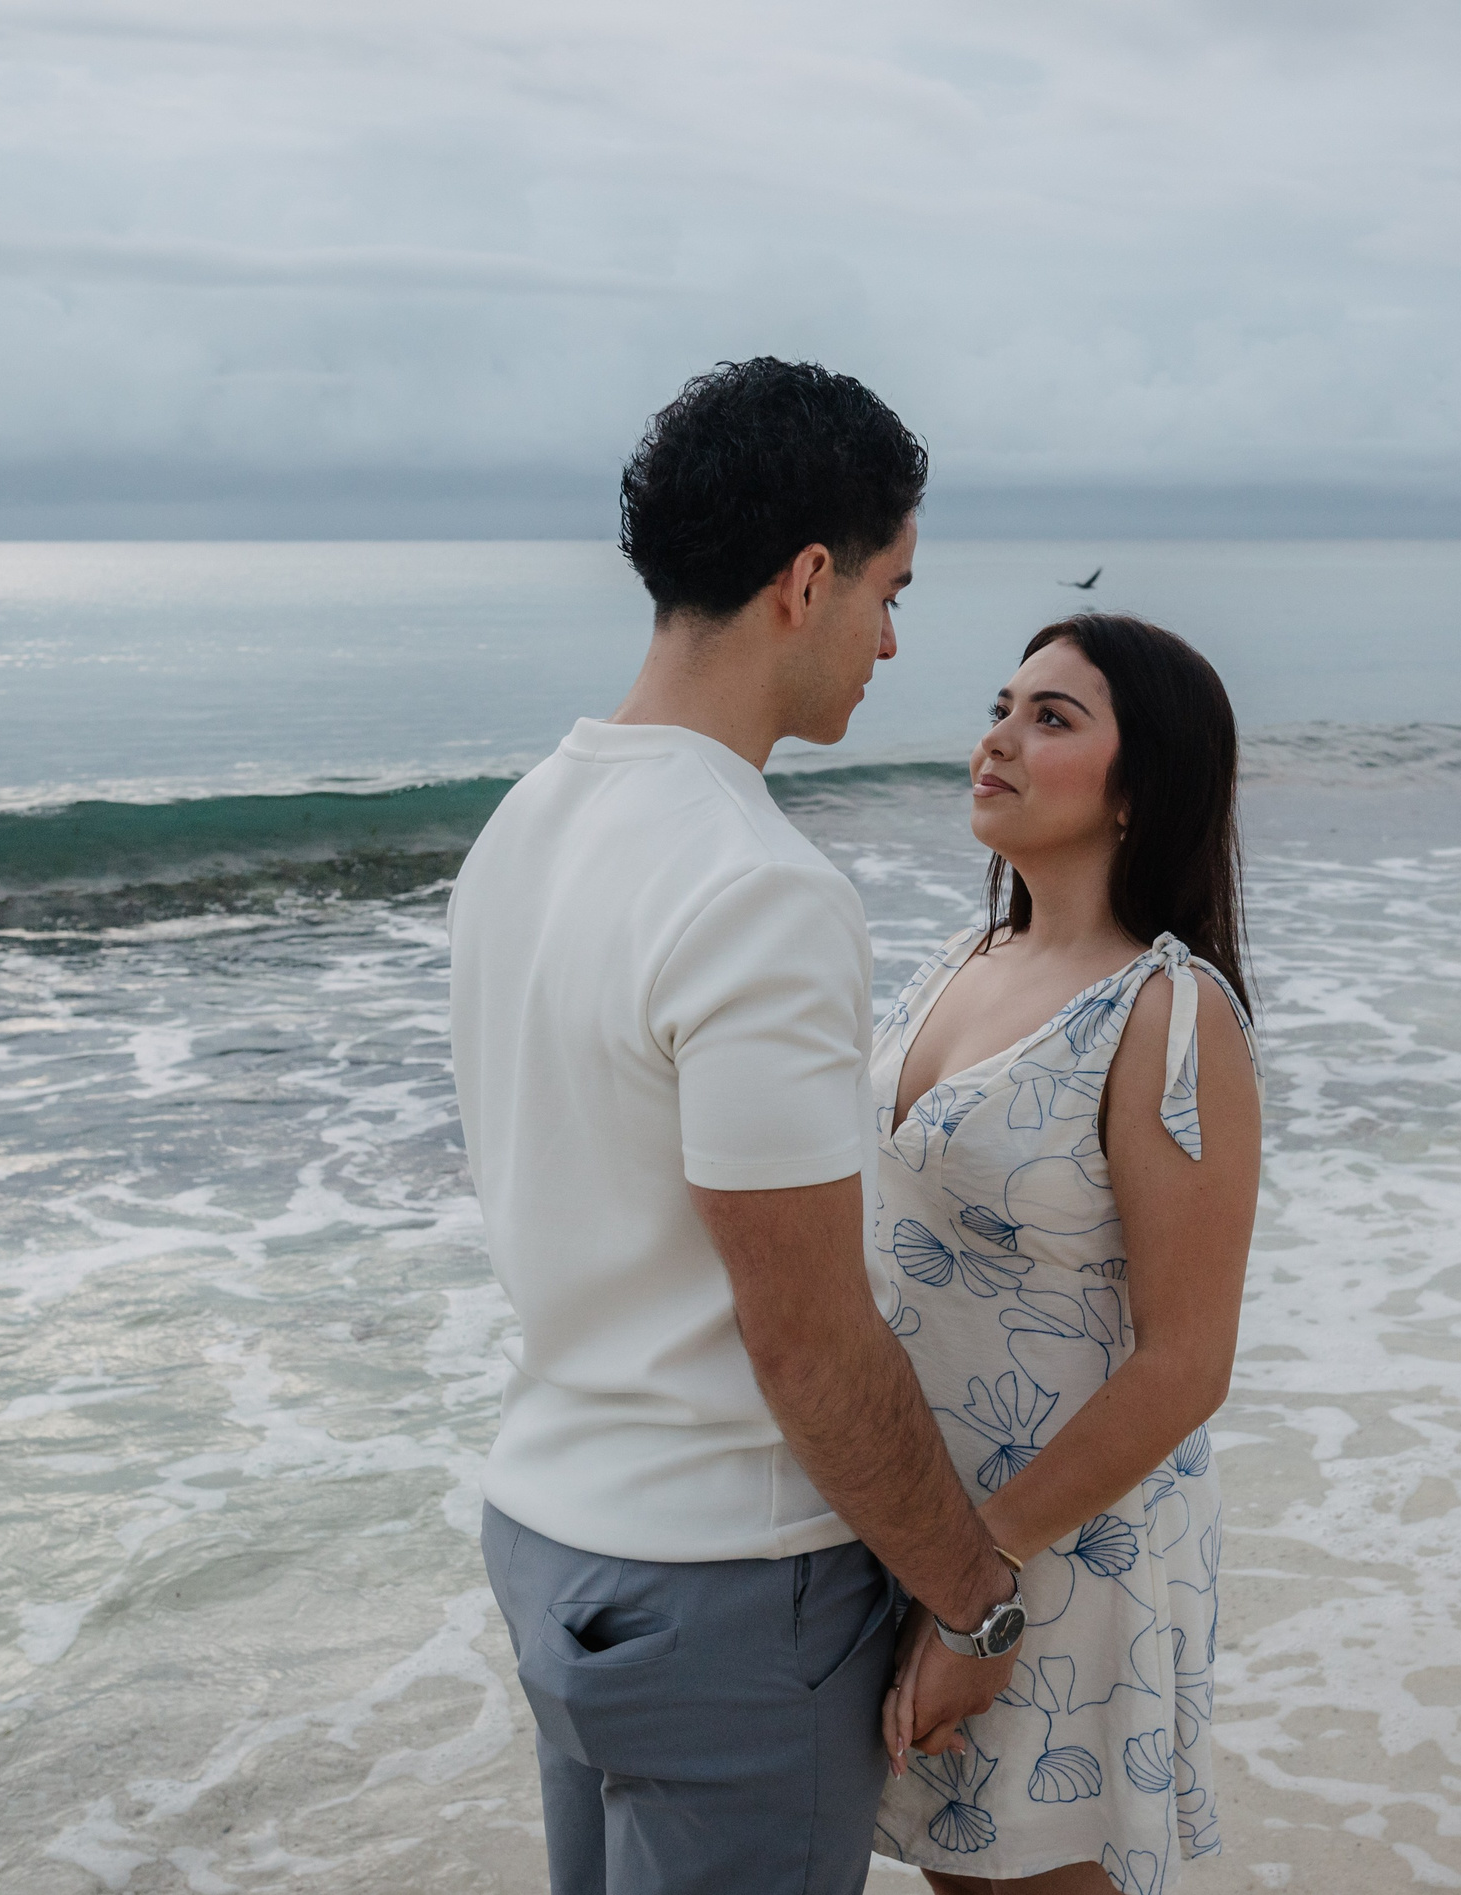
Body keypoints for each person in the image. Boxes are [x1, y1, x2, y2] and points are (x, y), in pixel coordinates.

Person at [448, 358, 1029, 1895]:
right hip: (723, 1590)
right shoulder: (753, 884)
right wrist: (973, 1598)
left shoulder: (525, 824)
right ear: (808, 578)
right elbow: (809, 1340)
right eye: (891, 591)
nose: (895, 641)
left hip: (551, 1536)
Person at [870, 616, 1264, 1895]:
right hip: (928, 1539)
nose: (996, 736)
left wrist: (977, 1577)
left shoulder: (1167, 1010)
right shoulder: (957, 960)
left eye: (1052, 717)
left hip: (1055, 1553)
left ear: (1141, 788)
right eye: (1002, 704)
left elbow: (1186, 1364)